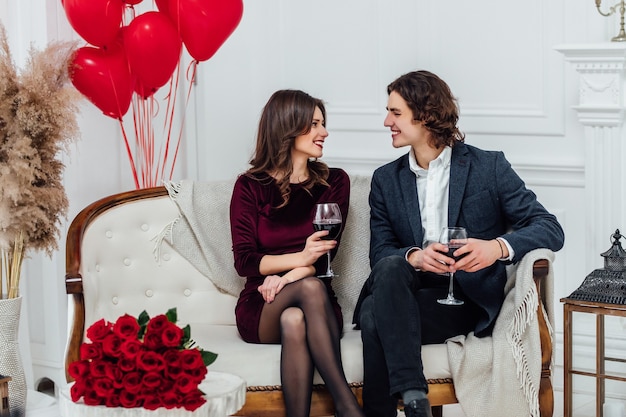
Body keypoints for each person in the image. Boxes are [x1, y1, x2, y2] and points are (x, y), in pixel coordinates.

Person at [352, 70, 565, 417]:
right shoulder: (386, 180)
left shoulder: (488, 167)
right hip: (406, 288)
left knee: (374, 315)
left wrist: (495, 247)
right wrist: (416, 257)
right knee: (392, 265)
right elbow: (381, 252)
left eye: (395, 113)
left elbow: (549, 227)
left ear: (425, 114)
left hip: (462, 301)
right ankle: (415, 397)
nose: (386, 121)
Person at [230, 89, 365, 417]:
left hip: (314, 298)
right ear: (289, 127)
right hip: (262, 305)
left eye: (323, 123)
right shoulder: (249, 187)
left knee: (296, 315)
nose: (325, 132)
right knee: (300, 296)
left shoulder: (334, 182)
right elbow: (245, 261)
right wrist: (300, 259)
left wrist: (286, 275)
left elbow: (324, 259)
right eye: (315, 124)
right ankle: (348, 408)